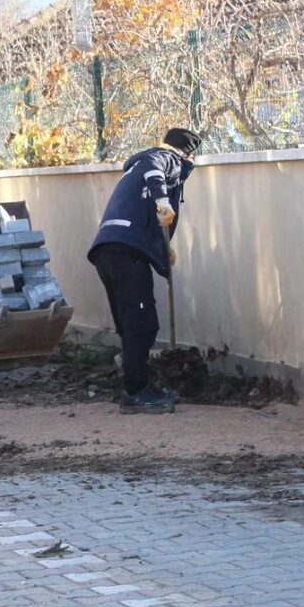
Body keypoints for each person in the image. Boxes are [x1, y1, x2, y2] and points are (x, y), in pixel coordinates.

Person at [87, 127, 200, 414]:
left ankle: (133, 376)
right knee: (142, 323)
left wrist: (161, 253)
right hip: (127, 250)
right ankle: (136, 392)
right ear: (187, 153)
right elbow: (155, 169)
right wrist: (163, 200)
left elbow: (141, 210)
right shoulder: (163, 158)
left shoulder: (135, 166)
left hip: (108, 248)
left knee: (129, 323)